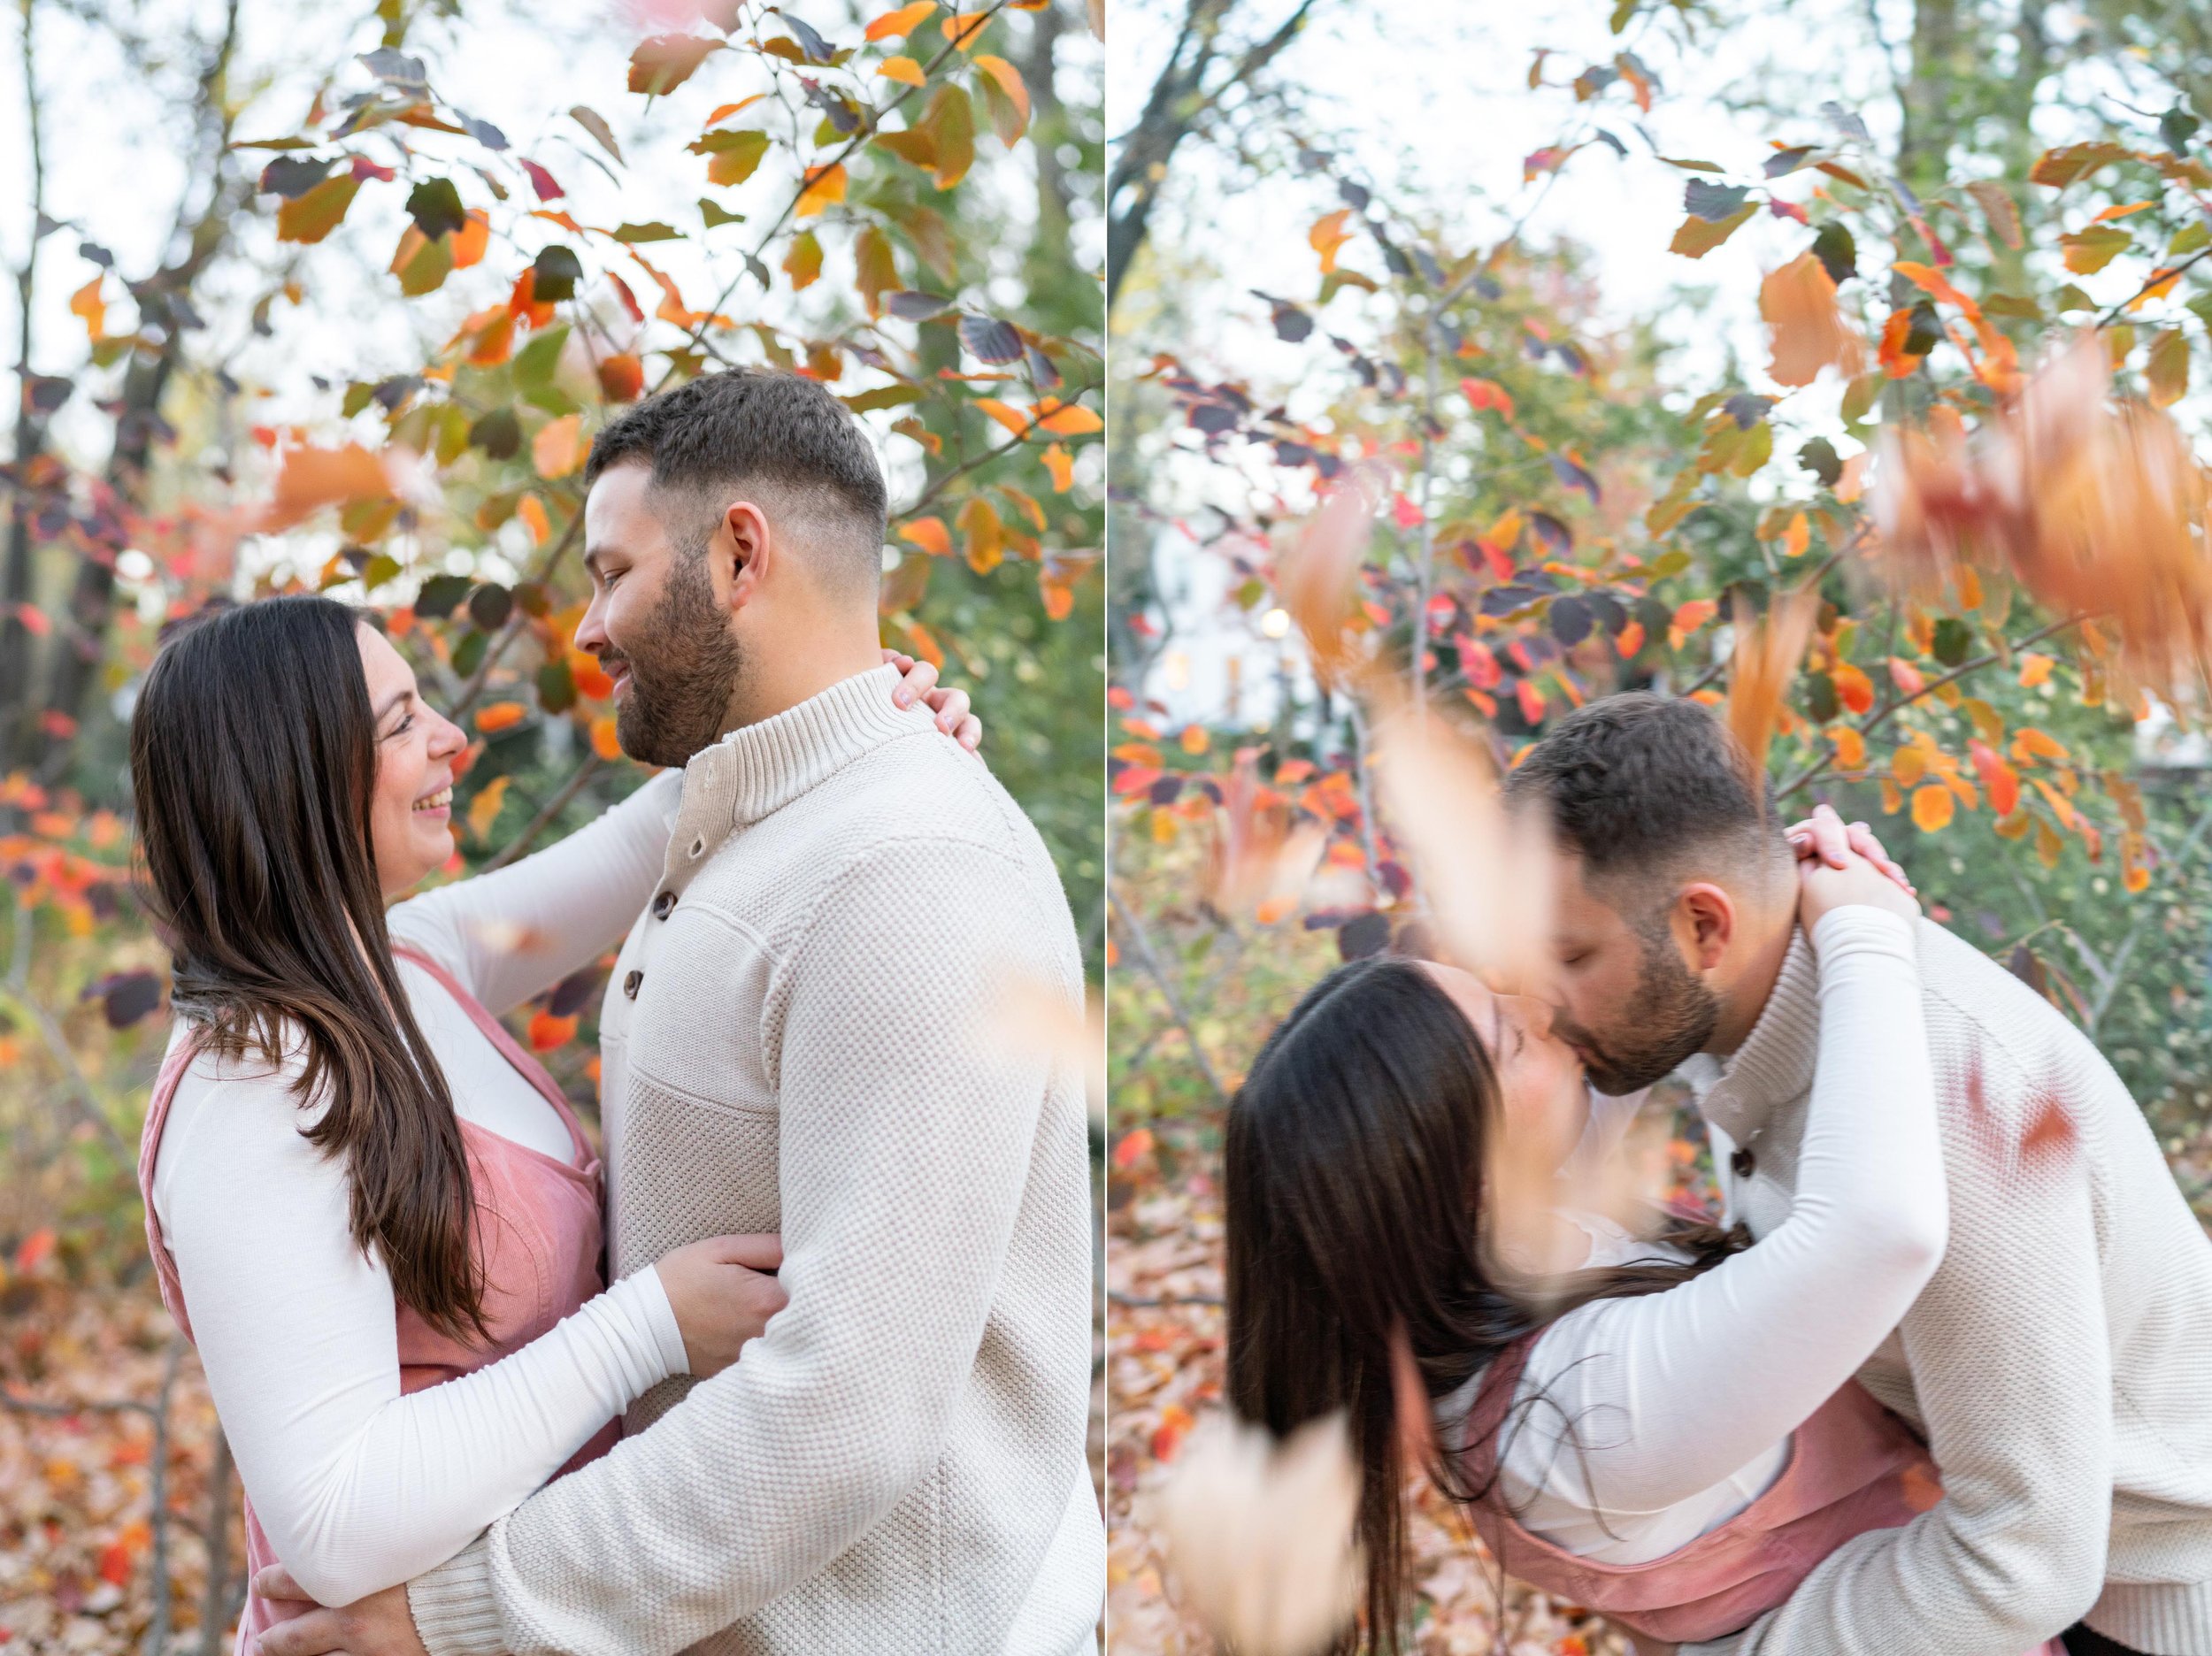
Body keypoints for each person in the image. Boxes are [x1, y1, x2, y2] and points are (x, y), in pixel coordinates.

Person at [250, 368, 1103, 1656]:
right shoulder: (748, 827)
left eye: (612, 572)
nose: (589, 627)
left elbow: (842, 1409)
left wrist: (452, 1620)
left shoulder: (909, 878)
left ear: (741, 553)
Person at [131, 593, 975, 1656]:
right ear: (288, 778)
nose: (453, 737)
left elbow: (660, 830)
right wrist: (649, 1325)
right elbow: (338, 1522)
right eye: (399, 725)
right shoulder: (251, 1081)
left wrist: (853, 706)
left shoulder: (412, 957)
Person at [1226, 833, 2071, 1654]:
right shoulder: (1578, 1411)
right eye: (1511, 1035)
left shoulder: (1489, 1258)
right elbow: (1879, 1231)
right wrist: (1864, 934)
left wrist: (1729, 889)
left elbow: (1633, 1038)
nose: (1538, 1007)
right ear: (1465, 1172)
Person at [1503, 693, 2212, 1656]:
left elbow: (2028, 1559)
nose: (1539, 1002)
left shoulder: (1942, 1099)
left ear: (1705, 929)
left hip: (2145, 1611)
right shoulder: (1741, 1016)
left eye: (1568, 955)